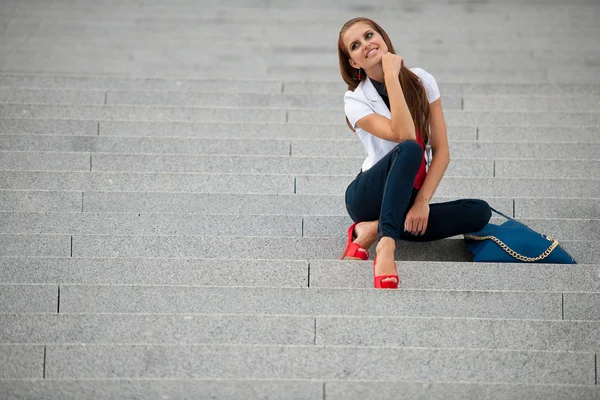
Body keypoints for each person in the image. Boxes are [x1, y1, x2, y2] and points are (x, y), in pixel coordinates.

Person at [337, 17, 492, 289]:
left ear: (383, 37)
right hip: (368, 195)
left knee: (479, 212)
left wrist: (422, 203)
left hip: (407, 196)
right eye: (356, 45)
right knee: (409, 149)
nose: (367, 44)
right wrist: (391, 77)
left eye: (370, 35)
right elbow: (405, 135)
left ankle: (372, 229)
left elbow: (442, 151)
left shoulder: (422, 80)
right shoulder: (354, 100)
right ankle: (386, 247)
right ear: (354, 62)